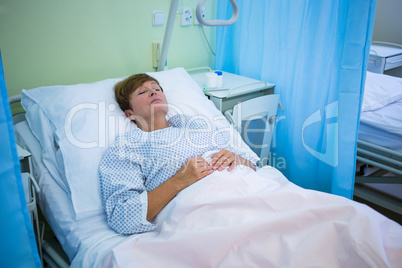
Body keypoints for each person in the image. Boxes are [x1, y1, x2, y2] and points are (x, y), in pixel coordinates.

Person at [99, 73, 257, 235]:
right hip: (205, 210)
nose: (153, 92)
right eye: (142, 92)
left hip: (248, 190)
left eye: (156, 88)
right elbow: (122, 217)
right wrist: (178, 181)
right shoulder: (127, 147)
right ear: (130, 114)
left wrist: (237, 159)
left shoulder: (194, 124)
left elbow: (252, 165)